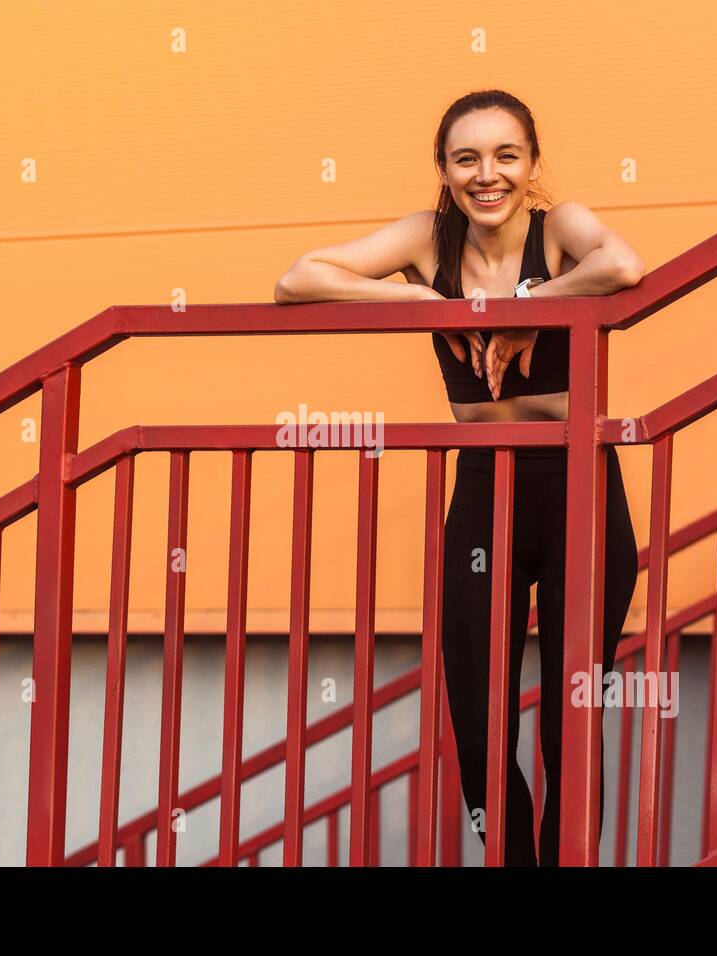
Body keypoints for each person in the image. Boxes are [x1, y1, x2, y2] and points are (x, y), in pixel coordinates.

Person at [274, 89, 643, 865]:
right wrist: (421, 301)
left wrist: (524, 307)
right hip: (484, 489)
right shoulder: (428, 240)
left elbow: (623, 265)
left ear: (532, 163)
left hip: (577, 486)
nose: (488, 175)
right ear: (443, 170)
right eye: (466, 158)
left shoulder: (561, 227)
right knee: (476, 725)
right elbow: (298, 279)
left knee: (566, 726)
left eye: (506, 156)